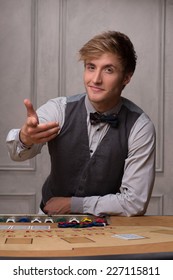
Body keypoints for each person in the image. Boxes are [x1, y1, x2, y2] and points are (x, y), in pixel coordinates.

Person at [6, 31, 156, 217]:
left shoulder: (140, 126)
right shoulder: (59, 109)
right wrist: (25, 138)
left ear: (126, 77)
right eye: (91, 67)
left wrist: (74, 205)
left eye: (108, 70)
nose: (95, 79)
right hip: (49, 219)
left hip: (108, 225)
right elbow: (17, 155)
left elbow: (135, 202)